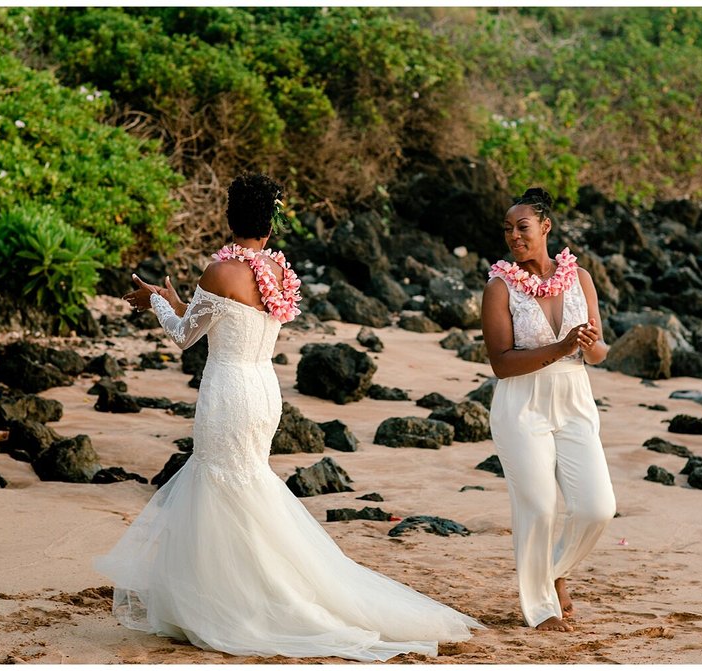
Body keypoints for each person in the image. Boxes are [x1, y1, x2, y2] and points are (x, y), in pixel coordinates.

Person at [94, 173, 482, 661]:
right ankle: (251, 589)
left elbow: (184, 335)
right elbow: (213, 318)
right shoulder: (276, 272)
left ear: (229, 216)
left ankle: (233, 600)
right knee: (245, 484)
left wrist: (156, 301)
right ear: (271, 224)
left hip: (228, 390)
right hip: (264, 392)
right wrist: (177, 303)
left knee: (220, 484)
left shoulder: (219, 271)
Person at [480, 187, 616, 633]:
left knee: (597, 507)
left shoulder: (581, 279)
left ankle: (555, 570)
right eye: (507, 229)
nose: (514, 236)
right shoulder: (499, 287)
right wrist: (560, 346)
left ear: (545, 228)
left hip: (574, 400)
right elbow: (501, 363)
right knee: (538, 506)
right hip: (522, 404)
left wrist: (589, 345)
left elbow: (597, 353)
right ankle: (540, 608)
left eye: (522, 227)